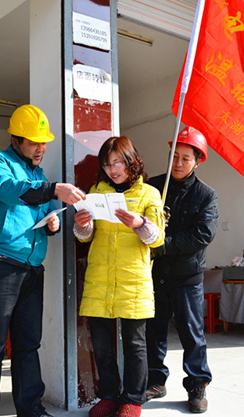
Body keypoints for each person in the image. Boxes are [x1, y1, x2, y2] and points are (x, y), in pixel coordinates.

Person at [0, 104, 85, 417]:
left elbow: (33, 210)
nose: (40, 148)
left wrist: (51, 223)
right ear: (15, 139)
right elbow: (10, 191)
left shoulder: (39, 175)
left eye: (43, 142)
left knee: (28, 344)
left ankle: (31, 408)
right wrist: (52, 189)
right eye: (33, 141)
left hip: (31, 269)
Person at [74, 136, 165, 417]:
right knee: (101, 344)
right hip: (100, 277)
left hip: (133, 280)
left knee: (135, 345)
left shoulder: (149, 193)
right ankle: (109, 395)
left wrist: (139, 224)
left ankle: (133, 399)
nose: (113, 169)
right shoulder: (95, 192)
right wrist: (83, 226)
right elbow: (86, 237)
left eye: (117, 162)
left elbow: (158, 239)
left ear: (130, 161)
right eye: (107, 164)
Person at [145, 127, 218, 413]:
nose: (177, 163)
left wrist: (162, 245)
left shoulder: (205, 195)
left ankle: (197, 384)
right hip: (155, 273)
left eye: (185, 158)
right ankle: (155, 380)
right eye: (174, 156)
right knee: (154, 330)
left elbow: (202, 235)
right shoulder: (153, 187)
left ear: (197, 161)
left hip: (187, 276)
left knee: (191, 333)